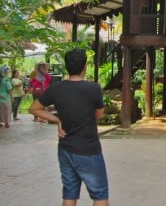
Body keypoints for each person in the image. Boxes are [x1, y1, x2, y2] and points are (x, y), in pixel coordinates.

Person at [29, 49, 109, 206]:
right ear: (85, 67)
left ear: (66, 67)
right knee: (99, 195)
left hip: (65, 149)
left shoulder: (56, 88)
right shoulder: (93, 88)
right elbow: (99, 115)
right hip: (89, 149)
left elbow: (34, 109)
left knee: (70, 193)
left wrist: (57, 119)